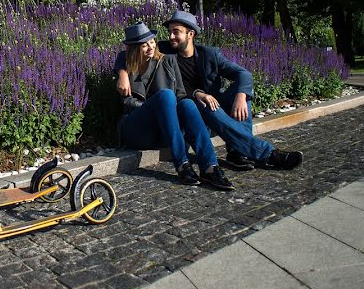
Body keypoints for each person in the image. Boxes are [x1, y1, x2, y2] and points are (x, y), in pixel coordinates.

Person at [116, 10, 303, 171]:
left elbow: (243, 74)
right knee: (204, 102)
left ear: (190, 34)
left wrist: (240, 95)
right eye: (170, 32)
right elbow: (131, 50)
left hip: (211, 109)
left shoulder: (210, 54)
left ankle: (238, 152)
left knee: (240, 92)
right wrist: (122, 72)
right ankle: (267, 154)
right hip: (188, 111)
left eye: (176, 32)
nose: (171, 36)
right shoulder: (164, 49)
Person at [117, 22, 234, 190]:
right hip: (137, 129)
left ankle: (209, 167)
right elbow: (127, 102)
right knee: (165, 96)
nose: (150, 47)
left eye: (152, 41)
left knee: (186, 103)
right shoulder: (126, 66)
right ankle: (182, 164)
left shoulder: (168, 61)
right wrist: (122, 73)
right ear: (134, 49)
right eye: (144, 45)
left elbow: (180, 93)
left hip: (163, 130)